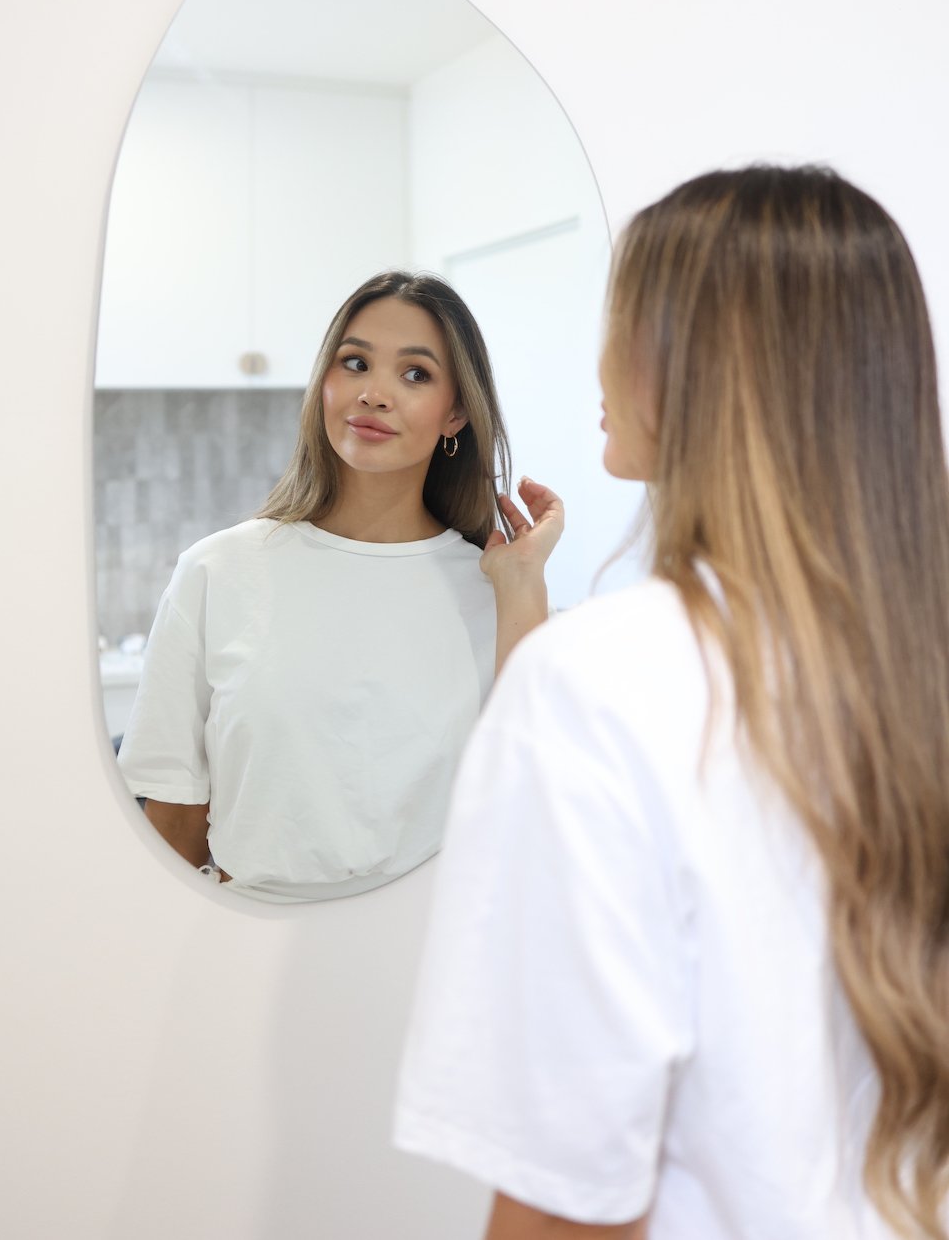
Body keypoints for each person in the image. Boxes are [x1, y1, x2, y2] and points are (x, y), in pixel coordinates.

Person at [393, 167, 949, 1240]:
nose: (597, 360)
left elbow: (565, 1207)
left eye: (622, 320)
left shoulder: (599, 689)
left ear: (697, 362)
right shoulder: (906, 668)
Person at [117, 269, 540, 903]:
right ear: (325, 383)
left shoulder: (496, 595)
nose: (373, 393)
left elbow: (532, 810)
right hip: (244, 957)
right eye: (355, 362)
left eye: (415, 373)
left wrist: (522, 583)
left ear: (456, 412)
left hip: (422, 964)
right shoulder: (217, 573)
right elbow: (174, 825)